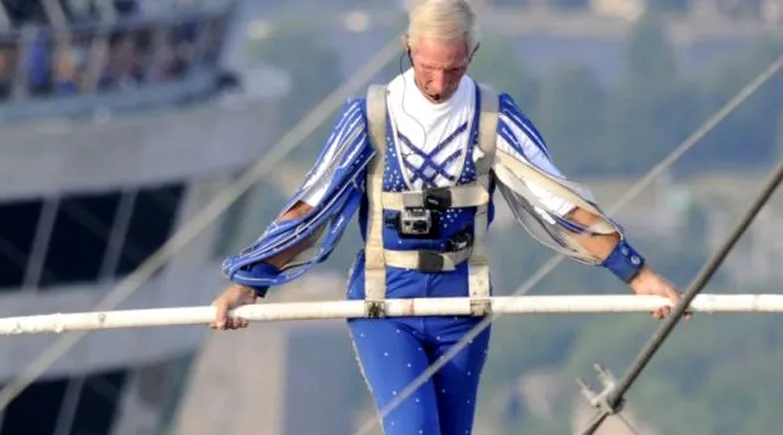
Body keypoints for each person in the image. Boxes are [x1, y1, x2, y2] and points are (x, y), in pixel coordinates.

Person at [212, 0, 684, 433]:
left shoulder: (494, 116)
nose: (439, 86)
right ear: (408, 47)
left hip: (462, 302)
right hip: (385, 302)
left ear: (473, 54)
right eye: (429, 68)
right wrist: (250, 282)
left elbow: (558, 203)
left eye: (454, 71)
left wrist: (638, 274)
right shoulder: (371, 116)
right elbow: (312, 206)